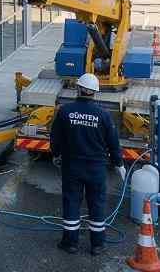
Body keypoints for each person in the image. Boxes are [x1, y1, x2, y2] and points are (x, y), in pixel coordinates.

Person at [49, 72, 125, 256]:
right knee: (97, 203)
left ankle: (70, 243)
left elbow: (55, 137)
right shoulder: (103, 115)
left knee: (71, 202)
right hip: (96, 168)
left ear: (78, 88)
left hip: (72, 166)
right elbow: (113, 142)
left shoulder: (65, 111)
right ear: (95, 92)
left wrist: (56, 154)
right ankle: (97, 245)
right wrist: (118, 163)